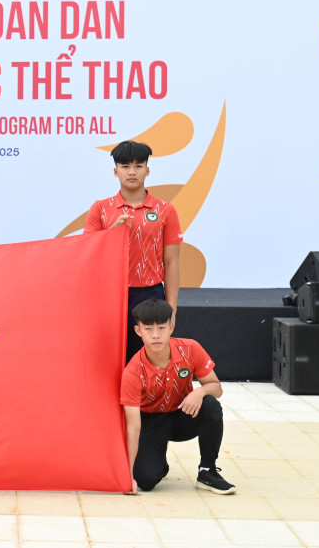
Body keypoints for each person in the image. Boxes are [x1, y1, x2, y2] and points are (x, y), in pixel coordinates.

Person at [120, 299, 236, 495]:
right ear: (138, 331)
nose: (156, 335)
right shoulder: (132, 372)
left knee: (211, 405)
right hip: (151, 422)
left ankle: (207, 472)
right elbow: (133, 426)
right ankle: (159, 464)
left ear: (171, 326)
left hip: (183, 414)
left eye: (162, 328)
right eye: (148, 329)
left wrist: (199, 392)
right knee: (145, 480)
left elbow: (217, 388)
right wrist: (128, 475)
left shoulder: (190, 348)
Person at [84, 140, 182, 362]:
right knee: (107, 358)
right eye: (125, 166)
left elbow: (172, 262)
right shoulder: (100, 209)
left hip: (150, 294)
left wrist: (172, 309)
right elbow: (88, 256)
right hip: (109, 294)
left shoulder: (165, 210)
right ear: (115, 171)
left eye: (138, 166)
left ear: (147, 170)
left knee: (147, 359)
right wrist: (112, 233)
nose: (132, 172)